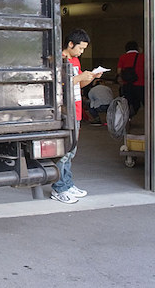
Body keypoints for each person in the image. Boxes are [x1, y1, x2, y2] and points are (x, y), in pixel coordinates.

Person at [51, 29, 100, 204]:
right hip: (65, 111)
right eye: (80, 48)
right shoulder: (58, 59)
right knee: (63, 151)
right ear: (70, 44)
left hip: (76, 109)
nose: (81, 52)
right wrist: (79, 77)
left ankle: (68, 183)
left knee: (71, 151)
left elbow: (78, 85)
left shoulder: (75, 60)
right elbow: (57, 84)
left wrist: (91, 77)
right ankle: (59, 188)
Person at [117, 40, 145, 116]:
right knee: (144, 102)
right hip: (141, 84)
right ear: (137, 48)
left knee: (129, 104)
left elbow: (119, 71)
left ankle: (129, 118)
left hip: (127, 85)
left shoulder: (123, 57)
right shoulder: (142, 57)